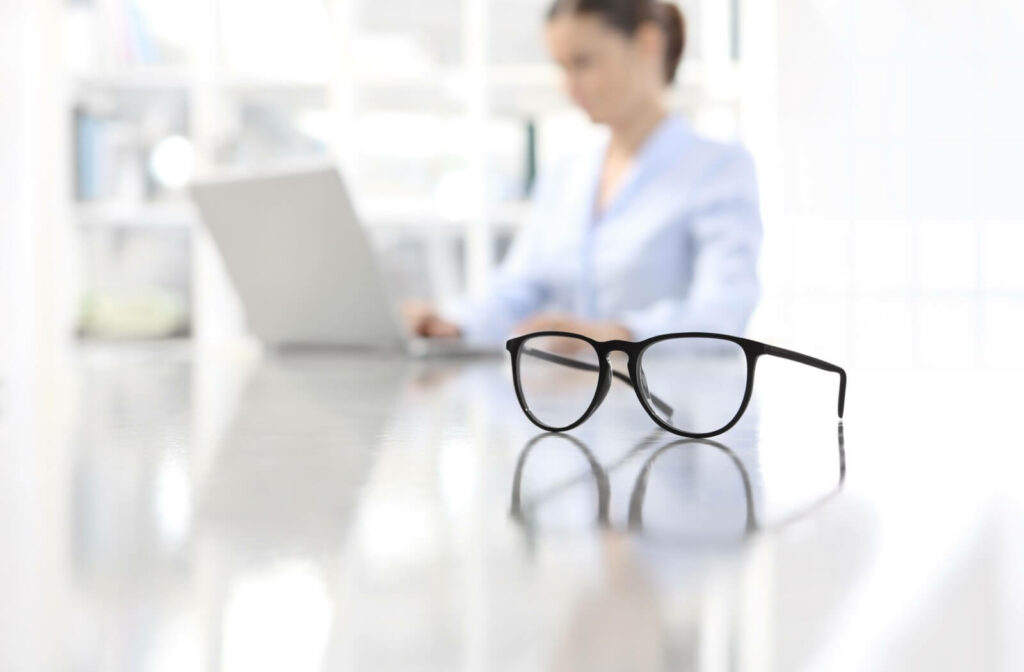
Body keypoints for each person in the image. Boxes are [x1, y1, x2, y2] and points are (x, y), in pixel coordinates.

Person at [405, 0, 762, 345]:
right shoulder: (566, 174)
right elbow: (521, 287)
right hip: (568, 399)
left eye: (584, 63)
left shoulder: (718, 168)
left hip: (673, 400)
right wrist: (455, 324)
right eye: (562, 67)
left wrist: (618, 335)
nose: (569, 86)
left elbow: (723, 312)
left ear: (647, 44)